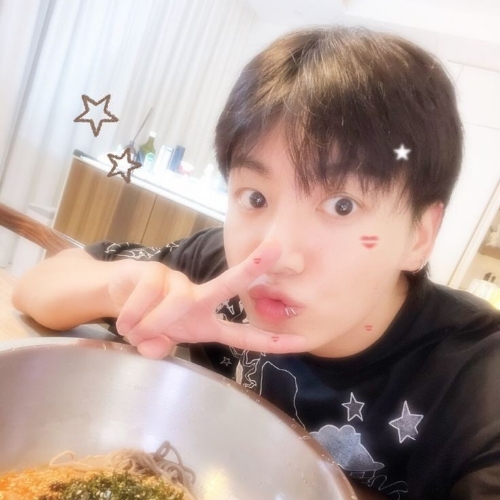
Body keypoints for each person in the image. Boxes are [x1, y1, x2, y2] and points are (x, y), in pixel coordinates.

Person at [12, 26, 500, 500]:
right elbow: (36, 288)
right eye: (255, 197)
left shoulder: (476, 382)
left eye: (342, 206)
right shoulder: (214, 272)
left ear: (420, 235)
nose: (276, 255)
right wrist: (121, 289)